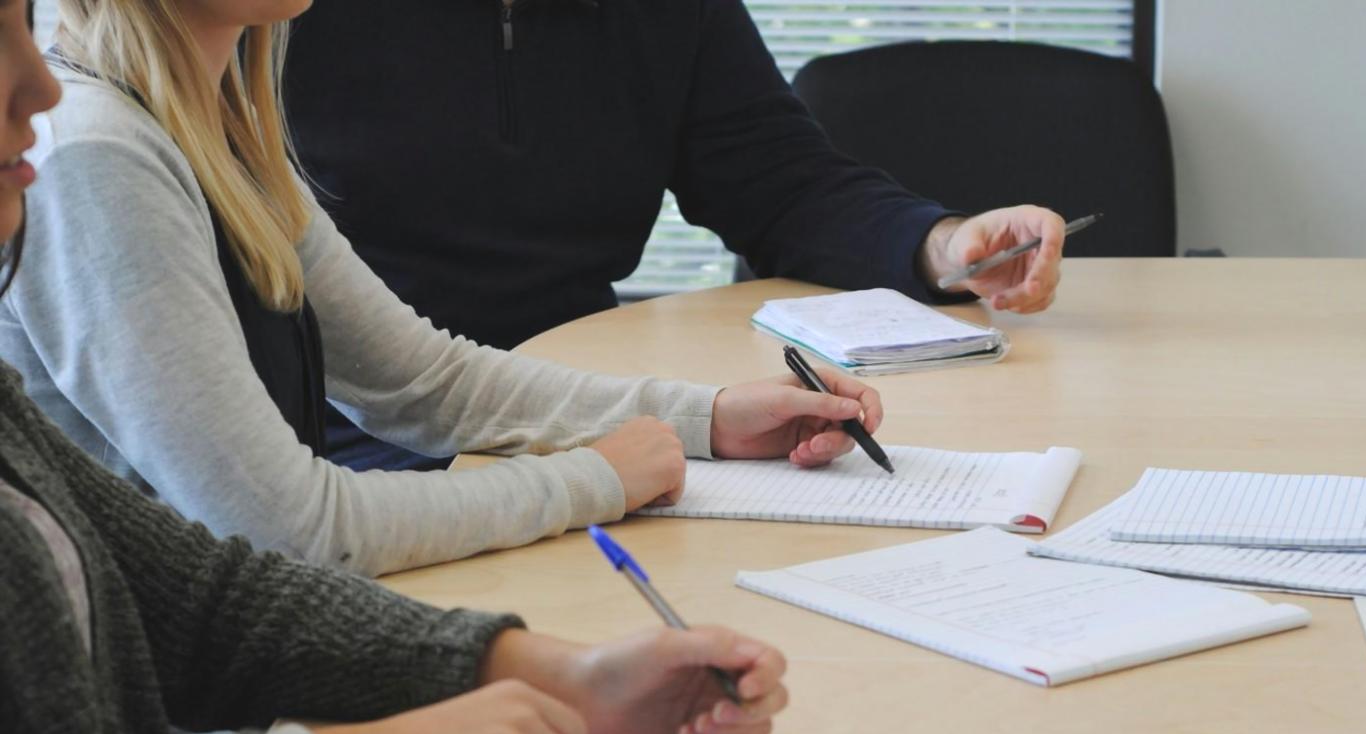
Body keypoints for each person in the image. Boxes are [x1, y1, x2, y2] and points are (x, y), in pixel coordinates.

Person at [0, 8, 789, 734]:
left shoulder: (213, 122)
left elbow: (208, 595)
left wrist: (558, 672)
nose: (35, 90)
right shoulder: (95, 158)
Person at [0, 0, 885, 577]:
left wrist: (710, 417)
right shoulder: (96, 156)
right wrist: (594, 481)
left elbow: (423, 381)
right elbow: (291, 530)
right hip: (193, 707)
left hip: (265, 629)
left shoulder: (216, 126)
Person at [281, 1, 1069, 471]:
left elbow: (779, 179)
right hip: (351, 423)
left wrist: (942, 243)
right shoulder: (273, 17)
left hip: (582, 398)